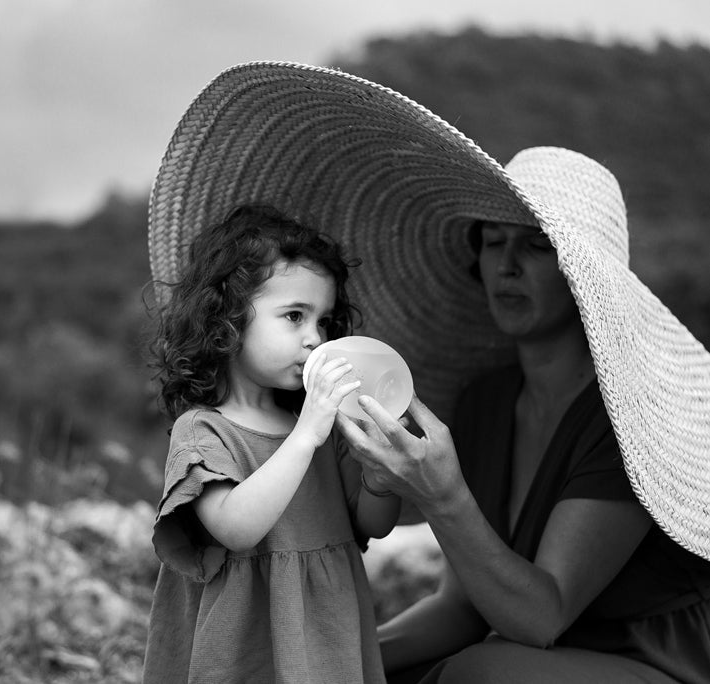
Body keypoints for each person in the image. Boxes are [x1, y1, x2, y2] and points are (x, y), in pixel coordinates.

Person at [144, 61, 710, 683]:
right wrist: (331, 664)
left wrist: (440, 494)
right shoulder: (485, 402)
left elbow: (540, 617)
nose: (505, 265)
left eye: (535, 246)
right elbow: (461, 609)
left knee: (475, 675)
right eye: (492, 243)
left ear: (584, 282)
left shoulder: (625, 424)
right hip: (531, 657)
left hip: (647, 664)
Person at [142, 204, 400, 683]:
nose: (314, 340)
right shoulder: (204, 430)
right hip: (243, 653)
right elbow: (236, 529)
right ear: (227, 319)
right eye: (294, 316)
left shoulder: (323, 423)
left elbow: (373, 526)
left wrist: (380, 477)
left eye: (323, 321)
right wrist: (306, 434)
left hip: (324, 637)